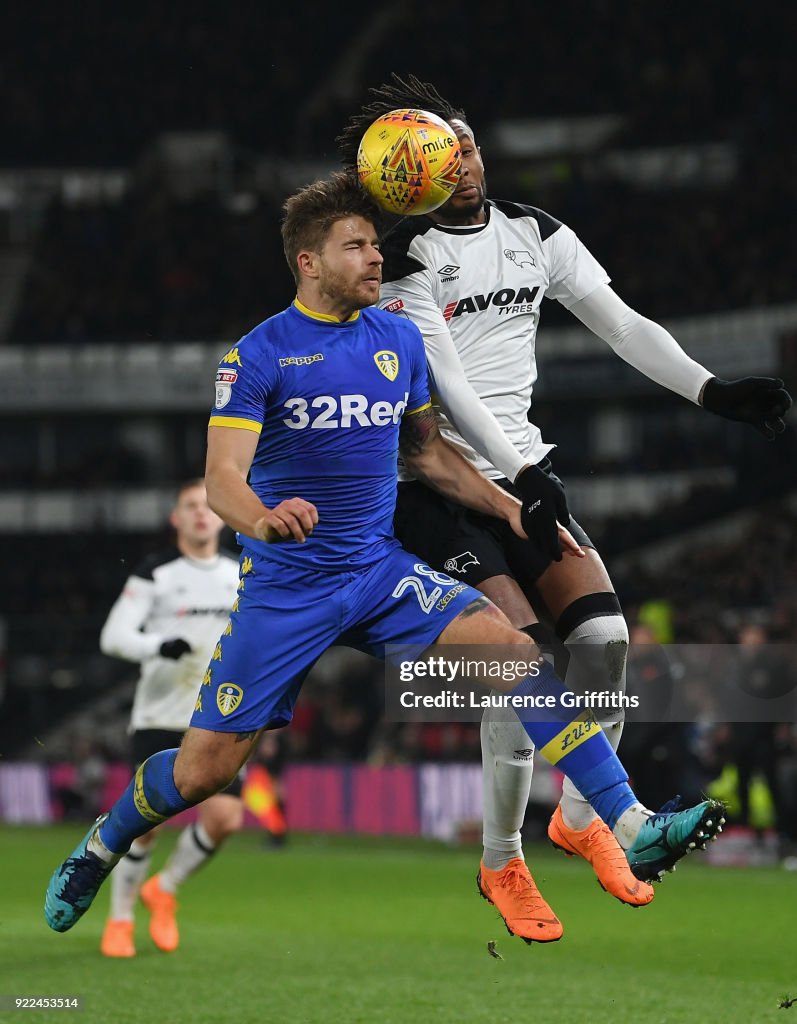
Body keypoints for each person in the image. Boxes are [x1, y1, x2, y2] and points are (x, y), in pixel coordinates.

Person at [45, 171, 724, 944]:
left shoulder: (396, 336)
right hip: (287, 590)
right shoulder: (259, 354)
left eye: (375, 243)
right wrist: (265, 521)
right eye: (357, 246)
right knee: (204, 775)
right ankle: (103, 842)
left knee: (514, 652)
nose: (377, 257)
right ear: (308, 261)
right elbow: (222, 481)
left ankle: (630, 822)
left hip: (376, 572)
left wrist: (511, 507)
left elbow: (430, 457)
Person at [336, 74, 790, 939]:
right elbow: (450, 387)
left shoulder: (534, 233)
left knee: (606, 643)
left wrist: (709, 391)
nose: (460, 162)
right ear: (411, 176)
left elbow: (619, 324)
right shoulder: (401, 263)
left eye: (465, 145)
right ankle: (501, 858)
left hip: (527, 473)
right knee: (521, 659)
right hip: (440, 488)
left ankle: (580, 818)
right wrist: (516, 473)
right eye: (441, 153)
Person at [97, 478, 241, 957]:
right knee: (146, 824)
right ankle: (119, 920)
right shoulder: (154, 573)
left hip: (219, 714)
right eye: (189, 507)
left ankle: (166, 888)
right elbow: (113, 637)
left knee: (226, 818)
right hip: (160, 712)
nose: (201, 514)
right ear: (175, 518)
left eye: (207, 506)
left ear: (221, 515)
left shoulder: (242, 571)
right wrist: (158, 645)